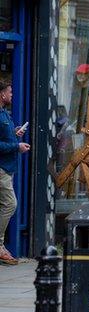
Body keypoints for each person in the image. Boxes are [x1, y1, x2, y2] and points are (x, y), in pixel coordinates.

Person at [0, 81, 28, 266]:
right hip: (2, 168)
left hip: (7, 167)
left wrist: (14, 132)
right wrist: (16, 146)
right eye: (10, 92)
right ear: (2, 94)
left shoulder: (4, 114)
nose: (12, 95)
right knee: (10, 204)